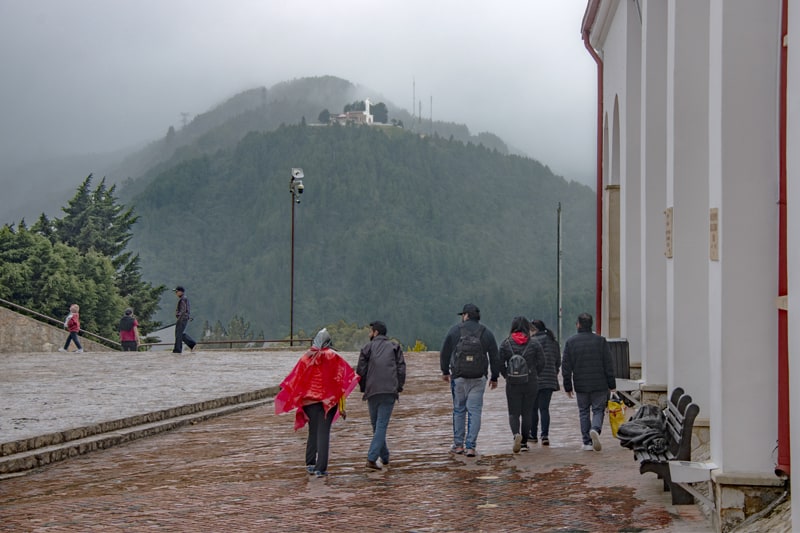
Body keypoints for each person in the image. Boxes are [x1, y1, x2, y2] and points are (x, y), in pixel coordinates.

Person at [274, 328, 360, 477]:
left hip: (309, 402)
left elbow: (295, 379)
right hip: (329, 402)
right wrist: (342, 407)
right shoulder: (334, 358)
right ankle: (321, 467)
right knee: (323, 433)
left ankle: (310, 462)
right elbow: (341, 382)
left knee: (312, 431)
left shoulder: (306, 358)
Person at [439, 303, 500, 457]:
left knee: (459, 410)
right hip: (479, 378)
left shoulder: (455, 331)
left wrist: (445, 371)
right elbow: (494, 356)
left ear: (465, 315)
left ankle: (458, 445)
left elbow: (445, 352)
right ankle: (471, 447)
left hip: (458, 377)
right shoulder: (486, 333)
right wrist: (494, 377)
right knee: (475, 411)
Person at [561, 313, 616, 451]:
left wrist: (568, 386)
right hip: (600, 383)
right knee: (598, 410)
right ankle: (595, 429)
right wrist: (612, 385)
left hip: (581, 384)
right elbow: (608, 364)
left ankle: (587, 442)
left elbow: (566, 367)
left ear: (578, 324)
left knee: (583, 411)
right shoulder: (601, 341)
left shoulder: (571, 342)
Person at [357, 321, 406, 471]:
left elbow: (360, 371)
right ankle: (384, 456)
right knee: (380, 425)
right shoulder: (394, 347)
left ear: (376, 332)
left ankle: (371, 458)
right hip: (389, 390)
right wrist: (398, 386)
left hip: (372, 391)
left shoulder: (367, 348)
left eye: (370, 331)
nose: (369, 334)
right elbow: (401, 369)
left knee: (377, 425)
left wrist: (364, 387)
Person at [498, 316, 545, 453]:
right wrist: (535, 374)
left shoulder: (506, 343)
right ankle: (524, 442)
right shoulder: (534, 343)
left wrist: (506, 375)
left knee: (513, 412)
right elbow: (542, 362)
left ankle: (515, 435)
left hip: (513, 383)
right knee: (527, 413)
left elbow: (499, 362)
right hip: (530, 382)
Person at [530, 319, 561, 446]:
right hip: (550, 380)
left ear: (535, 330)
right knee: (544, 409)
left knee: (533, 408)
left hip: (535, 379)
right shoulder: (553, 341)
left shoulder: (532, 342)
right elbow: (558, 361)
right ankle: (545, 435)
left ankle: (533, 434)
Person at [172, 286, 197, 354]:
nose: (176, 293)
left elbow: (183, 310)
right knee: (180, 334)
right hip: (184, 318)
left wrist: (180, 318)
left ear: (180, 292)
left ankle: (178, 349)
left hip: (182, 319)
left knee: (178, 334)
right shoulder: (184, 299)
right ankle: (191, 344)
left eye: (176, 291)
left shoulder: (183, 299)